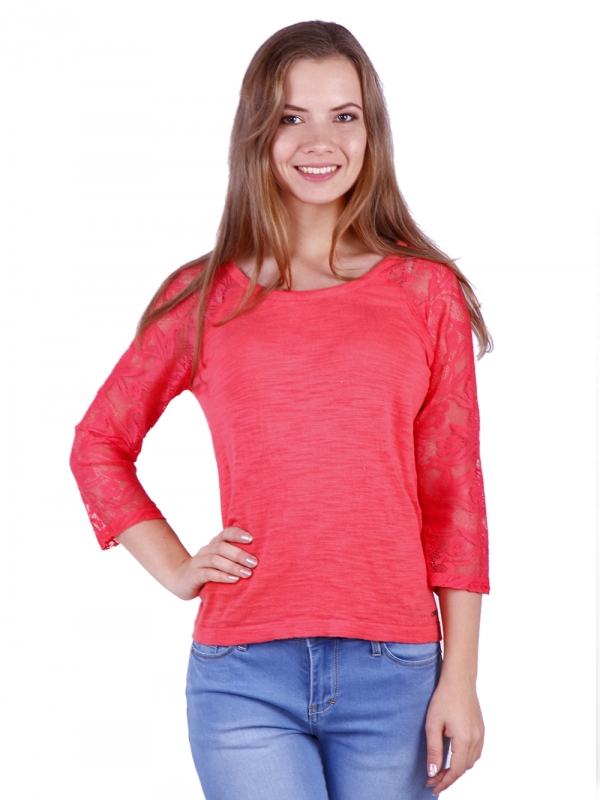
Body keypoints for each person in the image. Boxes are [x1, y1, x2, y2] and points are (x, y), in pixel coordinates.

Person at [70, 20, 491, 800]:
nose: (318, 141)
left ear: (371, 131)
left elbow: (455, 495)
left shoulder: (425, 291)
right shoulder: (203, 296)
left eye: (344, 115)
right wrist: (175, 567)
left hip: (395, 671)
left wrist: (460, 677)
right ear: (257, 134)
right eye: (291, 117)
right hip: (244, 674)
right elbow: (98, 443)